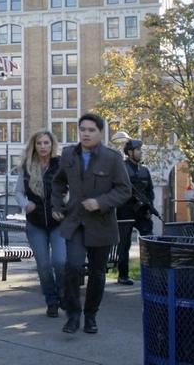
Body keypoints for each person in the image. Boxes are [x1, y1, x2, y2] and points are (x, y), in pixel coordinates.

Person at [51, 113, 131, 335]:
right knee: (73, 267)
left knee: (97, 273)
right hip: (75, 221)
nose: (85, 134)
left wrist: (101, 202)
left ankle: (91, 316)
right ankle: (73, 316)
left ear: (100, 133)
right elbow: (57, 183)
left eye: (91, 130)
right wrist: (57, 206)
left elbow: (124, 190)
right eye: (82, 129)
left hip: (101, 224)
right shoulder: (68, 154)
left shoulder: (112, 158)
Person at [13, 129, 65, 317]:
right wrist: (25, 204)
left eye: (46, 143)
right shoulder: (27, 166)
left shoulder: (60, 165)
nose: (43, 147)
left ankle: (62, 293)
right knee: (43, 265)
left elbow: (71, 190)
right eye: (39, 143)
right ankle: (51, 301)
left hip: (57, 223)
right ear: (34, 146)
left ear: (52, 145)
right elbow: (18, 192)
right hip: (35, 224)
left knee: (59, 262)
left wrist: (63, 208)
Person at [115, 139, 155, 285]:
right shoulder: (122, 168)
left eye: (140, 149)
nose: (140, 152)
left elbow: (150, 190)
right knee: (124, 244)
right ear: (130, 152)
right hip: (125, 210)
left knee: (149, 241)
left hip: (142, 211)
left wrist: (149, 206)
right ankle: (123, 275)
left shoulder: (144, 170)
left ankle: (150, 274)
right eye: (137, 150)